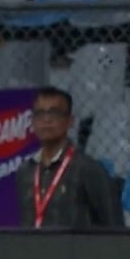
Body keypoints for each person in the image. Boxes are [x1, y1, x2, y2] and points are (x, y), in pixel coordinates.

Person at [15, 88, 121, 228]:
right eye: (40, 113)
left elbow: (115, 227)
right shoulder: (25, 171)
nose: (47, 120)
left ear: (70, 121)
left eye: (54, 113)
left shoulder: (88, 169)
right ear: (33, 122)